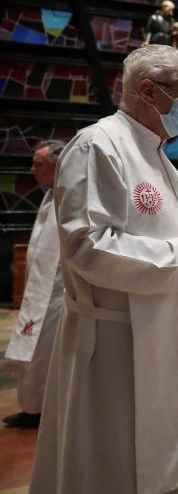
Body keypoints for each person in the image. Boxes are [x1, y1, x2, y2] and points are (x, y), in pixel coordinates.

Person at [30, 44, 178, 494]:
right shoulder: (98, 145)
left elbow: (176, 241)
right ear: (148, 91)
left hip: (168, 334)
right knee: (114, 465)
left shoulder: (159, 158)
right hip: (116, 347)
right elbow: (85, 246)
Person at [3, 140, 66, 429]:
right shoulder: (51, 194)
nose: (32, 169)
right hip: (39, 290)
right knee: (32, 352)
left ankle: (43, 412)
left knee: (46, 355)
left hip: (57, 294)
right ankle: (31, 407)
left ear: (56, 164)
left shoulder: (70, 195)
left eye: (38, 163)